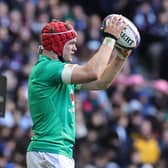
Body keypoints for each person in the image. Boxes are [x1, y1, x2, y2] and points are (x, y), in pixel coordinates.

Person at [26, 15, 131, 168]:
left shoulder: (53, 72)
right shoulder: (49, 68)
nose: (75, 48)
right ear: (58, 44)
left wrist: (121, 56)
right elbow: (93, 72)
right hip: (53, 152)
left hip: (45, 151)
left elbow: (101, 82)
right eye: (71, 44)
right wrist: (110, 39)